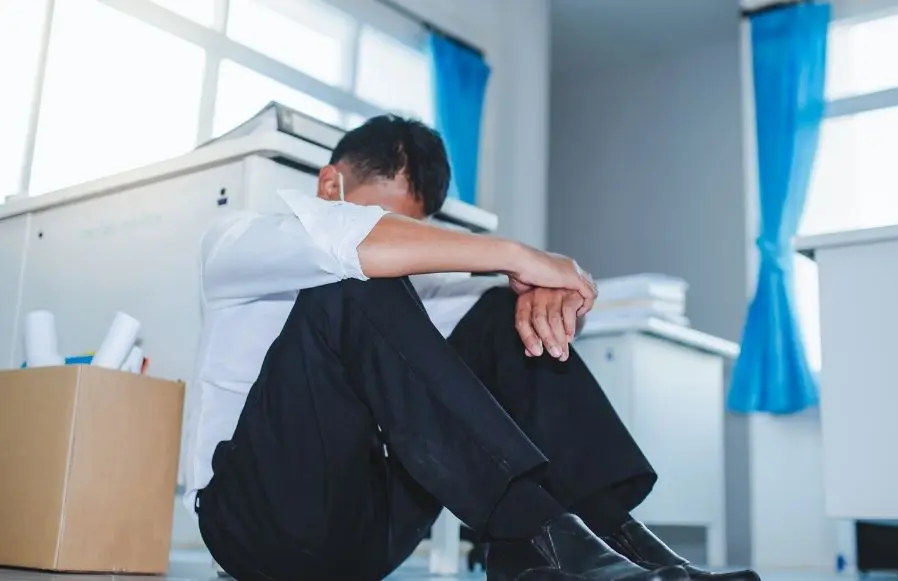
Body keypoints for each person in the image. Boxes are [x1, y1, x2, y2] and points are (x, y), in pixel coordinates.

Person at [181, 114, 759, 581]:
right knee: (350, 281)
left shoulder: (418, 292)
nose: (404, 246)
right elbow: (354, 249)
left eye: (412, 228)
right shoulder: (238, 242)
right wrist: (516, 255)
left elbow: (512, 344)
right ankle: (537, 533)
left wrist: (548, 301)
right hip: (257, 526)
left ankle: (607, 542)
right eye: (386, 223)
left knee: (499, 315)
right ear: (331, 186)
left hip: (368, 539)